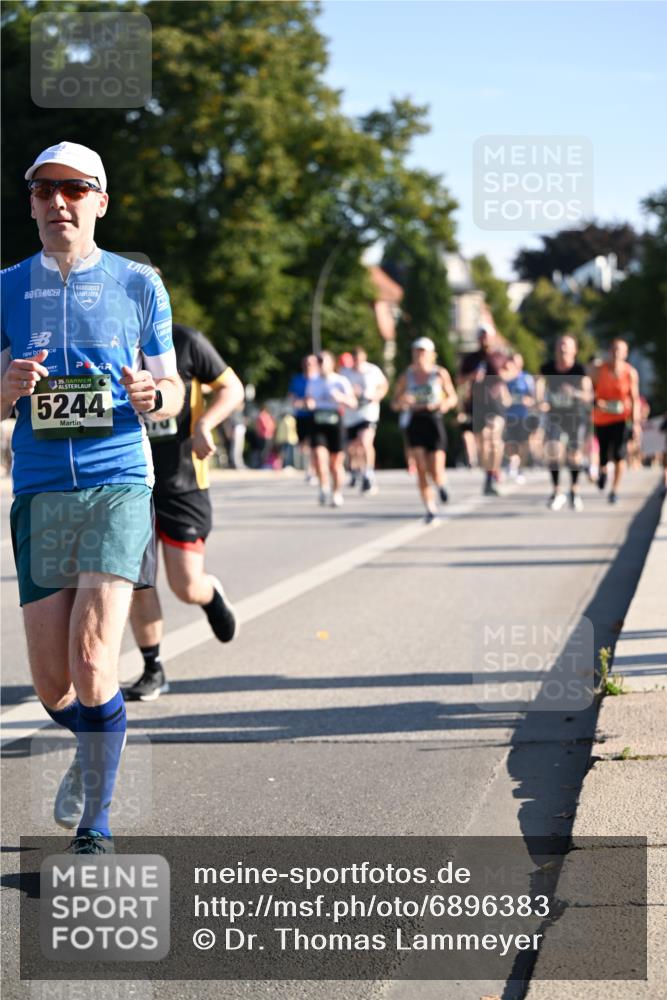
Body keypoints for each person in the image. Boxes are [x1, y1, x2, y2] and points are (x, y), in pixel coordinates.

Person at [0, 141, 184, 853]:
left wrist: (155, 395)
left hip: (116, 479)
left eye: (73, 189)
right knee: (52, 687)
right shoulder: (10, 285)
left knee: (91, 661)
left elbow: (170, 389)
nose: (57, 202)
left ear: (100, 200)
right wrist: (6, 389)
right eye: (43, 191)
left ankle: (95, 827)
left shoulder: (140, 286)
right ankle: (91, 746)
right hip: (41, 489)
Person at [125, 318, 245, 701]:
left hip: (182, 480)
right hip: (127, 480)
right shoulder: (107, 340)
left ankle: (209, 595)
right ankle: (152, 667)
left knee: (185, 585)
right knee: (137, 581)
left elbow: (232, 387)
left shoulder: (186, 340)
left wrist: (205, 423)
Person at [392, 337, 458, 522]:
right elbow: (394, 403)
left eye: (423, 351)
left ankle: (441, 483)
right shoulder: (407, 376)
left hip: (434, 420)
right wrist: (402, 401)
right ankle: (430, 508)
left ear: (431, 355)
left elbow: (452, 398)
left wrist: (443, 404)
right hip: (415, 421)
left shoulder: (439, 374)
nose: (419, 355)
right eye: (416, 351)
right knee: (421, 467)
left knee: (436, 467)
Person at [536, 334, 593, 511]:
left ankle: (574, 492)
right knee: (553, 449)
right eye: (560, 345)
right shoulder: (547, 368)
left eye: (567, 346)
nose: (563, 349)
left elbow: (588, 395)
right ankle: (556, 491)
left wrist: (574, 393)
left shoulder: (579, 370)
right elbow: (538, 384)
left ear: (574, 350)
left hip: (575, 416)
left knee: (574, 455)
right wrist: (540, 401)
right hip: (555, 416)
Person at [458, 325, 510, 496]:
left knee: (493, 437)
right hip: (477, 404)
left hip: (495, 404)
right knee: (482, 444)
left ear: (492, 337)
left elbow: (512, 371)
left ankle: (493, 475)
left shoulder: (500, 356)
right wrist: (471, 377)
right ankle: (489, 474)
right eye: (481, 336)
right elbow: (459, 379)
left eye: (487, 336)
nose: (484, 339)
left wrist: (502, 377)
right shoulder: (471, 358)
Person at [590, 338, 640, 504]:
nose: (616, 353)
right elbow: (589, 392)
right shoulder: (598, 370)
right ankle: (602, 471)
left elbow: (634, 399)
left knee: (619, 455)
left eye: (620, 350)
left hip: (621, 418)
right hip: (601, 419)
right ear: (609, 352)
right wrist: (598, 403)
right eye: (614, 350)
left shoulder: (630, 373)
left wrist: (636, 423)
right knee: (603, 454)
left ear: (625, 354)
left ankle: (615, 490)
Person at [305, 350, 357, 507]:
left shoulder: (340, 381)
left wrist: (341, 398)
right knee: (319, 458)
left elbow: (353, 403)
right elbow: (308, 399)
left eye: (323, 361)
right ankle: (324, 487)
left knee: (335, 464)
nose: (320, 364)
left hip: (335, 421)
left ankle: (336, 493)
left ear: (331, 363)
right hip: (318, 420)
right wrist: (309, 403)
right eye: (318, 362)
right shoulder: (313, 381)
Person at [341, 347, 388, 495]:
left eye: (360, 360)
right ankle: (356, 470)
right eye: (355, 360)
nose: (357, 363)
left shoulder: (373, 370)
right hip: (351, 415)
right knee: (353, 448)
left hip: (368, 413)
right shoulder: (345, 373)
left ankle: (368, 473)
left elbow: (384, 385)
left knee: (366, 441)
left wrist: (377, 395)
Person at [503, 352, 536, 483]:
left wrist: (527, 401)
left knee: (523, 443)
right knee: (510, 442)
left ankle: (520, 469)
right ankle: (513, 463)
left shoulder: (526, 378)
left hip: (523, 415)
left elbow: (533, 397)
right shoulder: (506, 378)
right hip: (509, 415)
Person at [288, 354, 318, 481]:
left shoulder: (319, 379)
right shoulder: (297, 379)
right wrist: (297, 402)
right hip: (301, 415)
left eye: (311, 363)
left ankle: (313, 469)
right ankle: (308, 468)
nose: (308, 366)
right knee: (303, 444)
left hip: (316, 415)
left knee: (315, 443)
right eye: (306, 363)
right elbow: (291, 396)